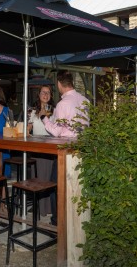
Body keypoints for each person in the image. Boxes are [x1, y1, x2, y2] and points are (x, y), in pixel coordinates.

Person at [41, 70, 90, 225]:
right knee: (75, 186)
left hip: (65, 150)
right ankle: (73, 219)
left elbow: (57, 131)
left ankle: (57, 221)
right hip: (81, 149)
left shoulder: (63, 104)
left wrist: (44, 118)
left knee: (57, 185)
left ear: (59, 85)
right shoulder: (85, 100)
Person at [28, 85, 56, 216]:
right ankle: (38, 207)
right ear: (38, 95)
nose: (46, 95)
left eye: (48, 92)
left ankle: (49, 207)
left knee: (49, 177)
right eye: (43, 92)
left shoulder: (55, 111)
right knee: (38, 177)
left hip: (50, 146)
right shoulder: (33, 111)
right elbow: (27, 130)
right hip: (36, 146)